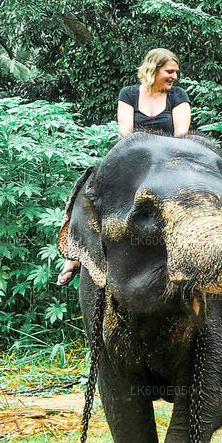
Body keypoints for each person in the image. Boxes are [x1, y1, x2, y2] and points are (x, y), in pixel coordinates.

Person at [56, 48, 192, 286]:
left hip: (170, 161)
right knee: (87, 188)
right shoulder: (128, 94)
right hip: (134, 160)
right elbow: (126, 132)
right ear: (153, 69)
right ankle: (75, 255)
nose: (174, 77)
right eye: (170, 71)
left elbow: (181, 134)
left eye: (176, 72)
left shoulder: (178, 96)